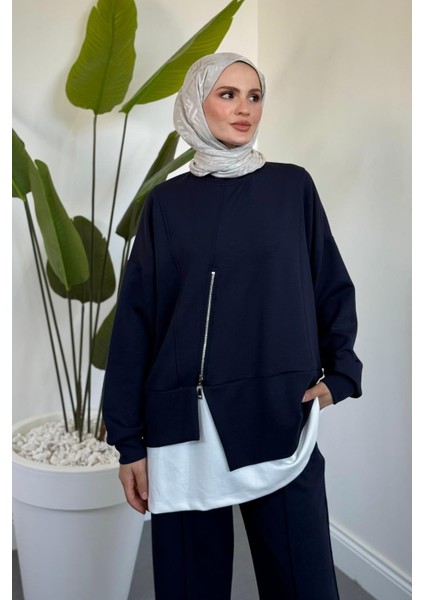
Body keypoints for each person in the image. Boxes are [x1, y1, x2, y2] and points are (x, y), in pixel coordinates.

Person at [102, 52, 363, 600]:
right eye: (227, 94)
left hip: (277, 414)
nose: (245, 109)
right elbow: (136, 325)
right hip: (183, 427)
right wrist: (128, 443)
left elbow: (330, 285)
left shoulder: (292, 188)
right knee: (191, 588)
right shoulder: (166, 204)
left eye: (254, 96)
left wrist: (341, 373)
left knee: (305, 585)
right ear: (196, 104)